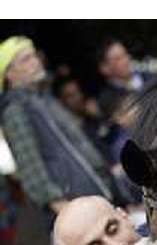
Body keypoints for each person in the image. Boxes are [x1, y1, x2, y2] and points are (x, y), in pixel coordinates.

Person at [0, 36, 114, 224]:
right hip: (74, 211)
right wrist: (63, 209)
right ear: (9, 74)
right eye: (25, 59)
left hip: (93, 194)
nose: (36, 62)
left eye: (34, 55)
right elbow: (30, 169)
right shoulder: (15, 109)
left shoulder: (43, 98)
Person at [96, 39, 154, 119]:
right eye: (118, 59)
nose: (126, 60)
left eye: (125, 54)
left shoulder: (151, 78)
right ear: (105, 68)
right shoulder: (107, 99)